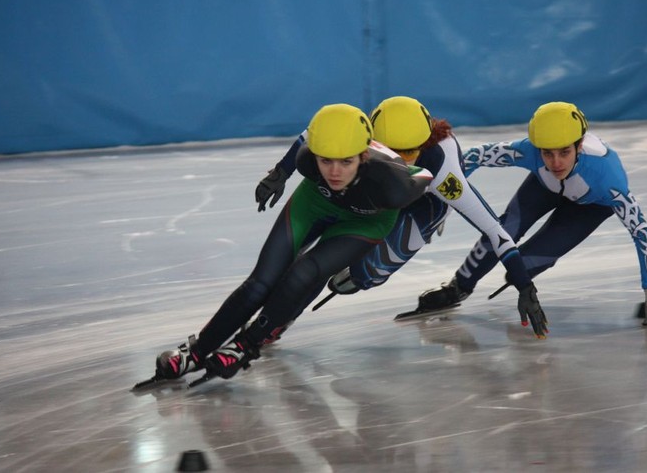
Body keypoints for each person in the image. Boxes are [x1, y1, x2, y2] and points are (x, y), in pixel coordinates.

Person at [151, 103, 434, 384]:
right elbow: (307, 138)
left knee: (304, 272)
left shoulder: (394, 185)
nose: (335, 172)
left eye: (346, 161)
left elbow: (425, 174)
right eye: (326, 160)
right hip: (316, 202)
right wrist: (280, 173)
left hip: (365, 222)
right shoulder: (305, 160)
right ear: (315, 156)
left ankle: (246, 345)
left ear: (364, 154)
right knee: (260, 283)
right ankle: (197, 351)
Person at [256, 96, 549, 339]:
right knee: (323, 257)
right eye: (392, 151)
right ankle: (281, 320)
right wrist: (280, 173)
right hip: (374, 190)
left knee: (366, 275)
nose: (401, 161)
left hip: (426, 202)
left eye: (410, 152)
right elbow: (313, 133)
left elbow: (491, 227)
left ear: (425, 144)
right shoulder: (360, 135)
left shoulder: (443, 170)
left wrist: (525, 284)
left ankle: (368, 270)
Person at [420, 101, 647, 327]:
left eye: (564, 152)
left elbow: (641, 232)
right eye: (547, 153)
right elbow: (472, 157)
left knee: (519, 270)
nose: (556, 162)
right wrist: (445, 201)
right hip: (544, 186)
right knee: (504, 229)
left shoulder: (608, 179)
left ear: (579, 146)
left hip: (590, 206)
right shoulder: (529, 151)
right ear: (538, 149)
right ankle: (458, 287)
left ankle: (517, 270)